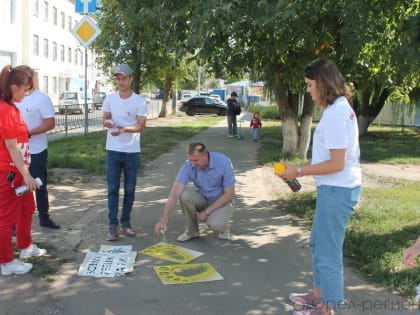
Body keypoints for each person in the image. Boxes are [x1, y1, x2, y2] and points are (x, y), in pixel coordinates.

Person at [276, 59, 362, 315]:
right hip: (334, 190)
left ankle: (326, 309)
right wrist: (302, 166)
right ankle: (317, 296)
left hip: (338, 191)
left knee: (328, 253)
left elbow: (337, 163)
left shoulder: (336, 114)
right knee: (318, 244)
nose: (308, 90)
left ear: (323, 84)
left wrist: (300, 171)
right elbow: (331, 157)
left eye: (310, 84)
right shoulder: (337, 108)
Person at [0, 65, 47, 276]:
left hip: (19, 170)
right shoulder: (6, 110)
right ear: (13, 87)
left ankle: (26, 246)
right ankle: (6, 262)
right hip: (8, 173)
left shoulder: (12, 106)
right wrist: (26, 174)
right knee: (6, 218)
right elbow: (11, 146)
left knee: (27, 208)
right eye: (24, 89)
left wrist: (25, 172)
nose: (26, 94)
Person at [154, 142, 235, 242]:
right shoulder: (188, 165)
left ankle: (224, 228)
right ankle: (192, 232)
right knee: (185, 195)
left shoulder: (223, 162)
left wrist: (206, 212)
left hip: (222, 201)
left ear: (205, 155)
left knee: (216, 224)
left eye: (196, 160)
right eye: (190, 160)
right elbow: (174, 194)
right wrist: (164, 221)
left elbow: (229, 195)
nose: (193, 164)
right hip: (203, 198)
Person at [102, 64, 147, 241]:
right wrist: (107, 123)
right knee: (113, 189)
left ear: (131, 79)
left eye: (124, 78)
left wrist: (124, 130)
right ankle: (112, 226)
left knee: (130, 189)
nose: (121, 82)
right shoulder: (110, 99)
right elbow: (105, 118)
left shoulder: (139, 101)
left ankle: (125, 223)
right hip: (113, 150)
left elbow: (141, 126)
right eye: (118, 79)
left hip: (131, 151)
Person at [16, 72, 59, 229]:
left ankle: (44, 217)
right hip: (16, 151)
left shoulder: (42, 98)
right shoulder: (13, 97)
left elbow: (50, 123)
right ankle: (16, 222)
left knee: (39, 184)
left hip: (36, 150)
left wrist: (28, 133)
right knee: (17, 186)